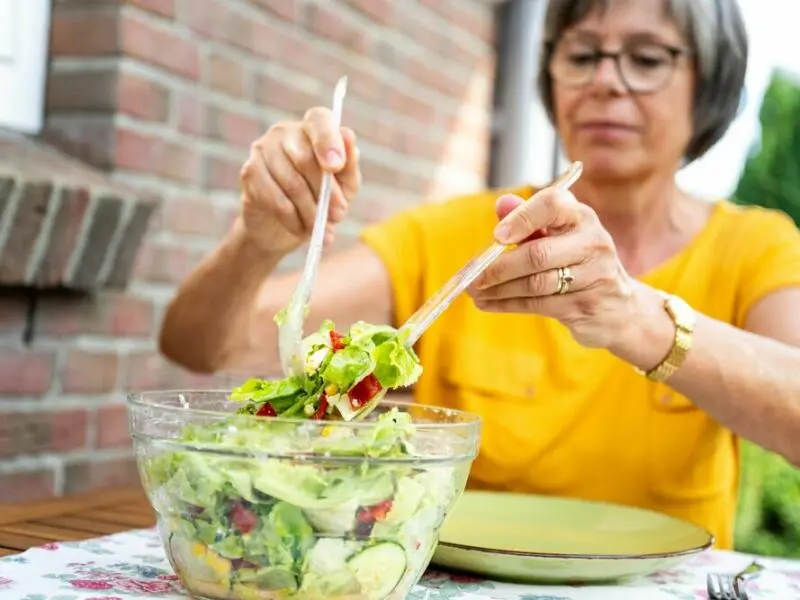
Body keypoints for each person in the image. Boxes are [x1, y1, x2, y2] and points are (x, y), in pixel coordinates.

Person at [158, 0, 800, 550]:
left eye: (648, 57)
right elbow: (200, 345)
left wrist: (636, 319)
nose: (606, 81)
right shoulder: (465, 235)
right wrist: (257, 241)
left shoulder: (755, 246)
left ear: (709, 85)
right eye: (581, 55)